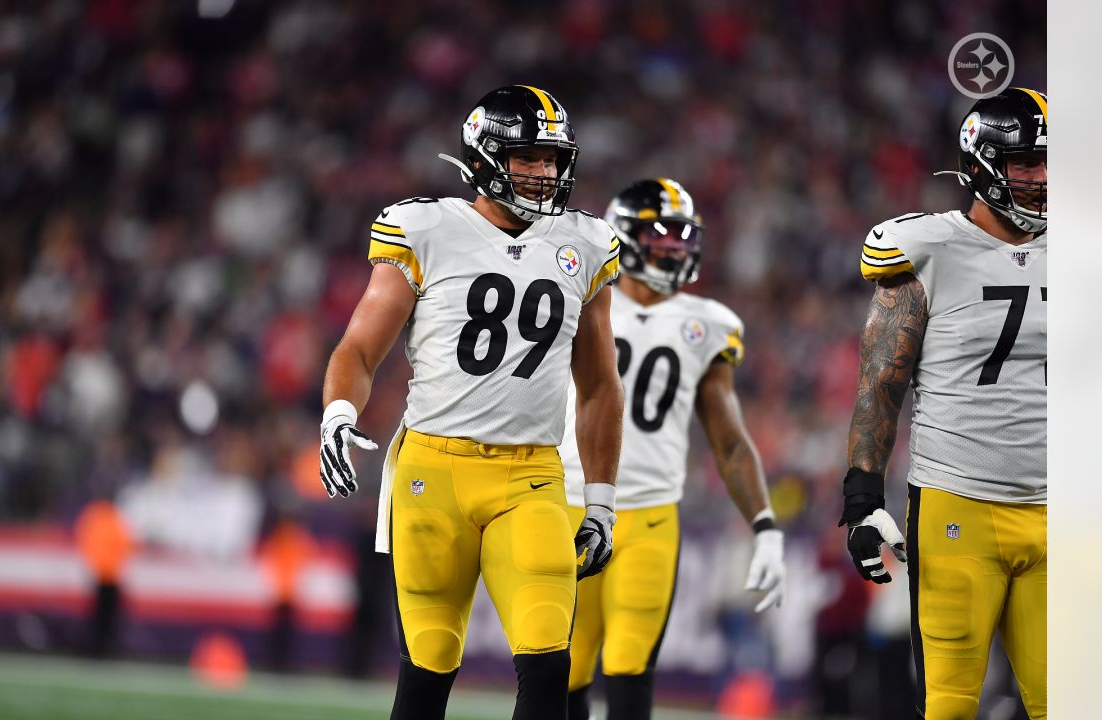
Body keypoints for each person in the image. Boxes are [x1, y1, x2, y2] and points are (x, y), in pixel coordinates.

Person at [319, 84, 625, 720]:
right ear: (486, 156)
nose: (545, 173)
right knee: (428, 670)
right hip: (434, 469)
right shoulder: (426, 229)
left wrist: (600, 501)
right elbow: (358, 350)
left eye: (553, 159)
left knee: (549, 665)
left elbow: (599, 385)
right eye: (529, 158)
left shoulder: (586, 244)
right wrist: (339, 413)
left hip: (533, 475)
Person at [840, 87, 1048, 719]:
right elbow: (881, 381)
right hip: (959, 503)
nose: (1041, 178)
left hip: (1059, 508)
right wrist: (861, 501)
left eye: (1049, 163)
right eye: (1025, 164)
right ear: (984, 165)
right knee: (951, 706)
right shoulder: (927, 248)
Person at [558, 179, 788, 720]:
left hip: (650, 518)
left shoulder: (708, 323)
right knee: (561, 670)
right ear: (625, 236)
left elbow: (729, 442)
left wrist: (766, 525)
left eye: (683, 236)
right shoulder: (578, 300)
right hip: (564, 502)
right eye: (660, 234)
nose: (674, 247)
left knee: (630, 668)